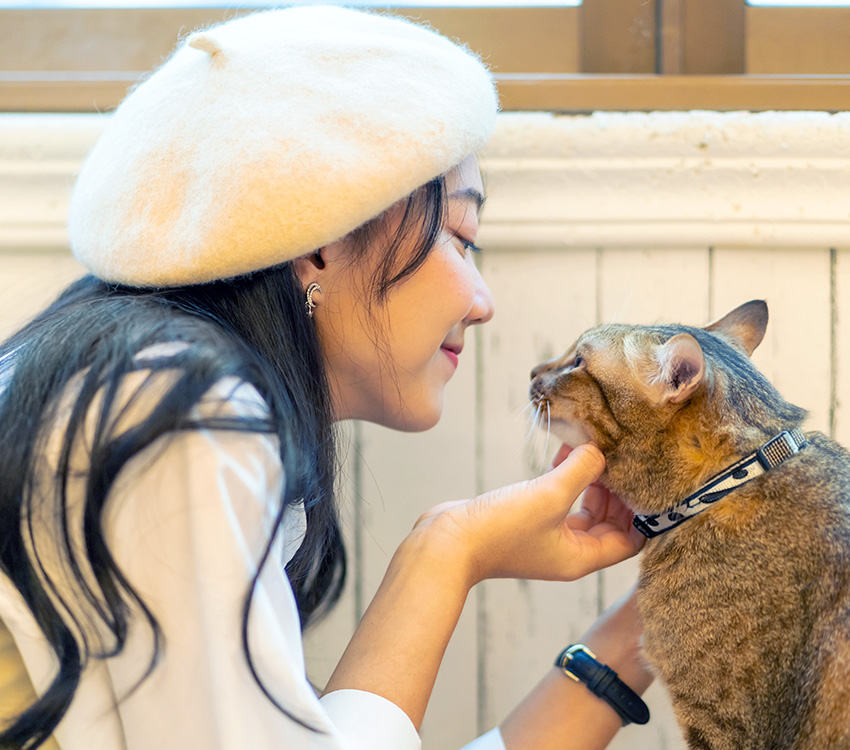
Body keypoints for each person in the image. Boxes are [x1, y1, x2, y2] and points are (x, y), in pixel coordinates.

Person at [0, 6, 652, 750]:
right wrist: (445, 554)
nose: (482, 302)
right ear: (319, 243)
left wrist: (640, 633)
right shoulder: (178, 414)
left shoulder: (140, 384)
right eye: (461, 237)